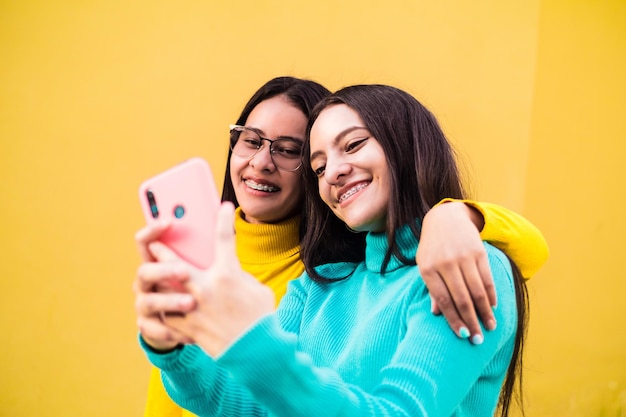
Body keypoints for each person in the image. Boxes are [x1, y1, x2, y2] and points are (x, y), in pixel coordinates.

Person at [135, 78, 547, 416]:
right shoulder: (319, 283)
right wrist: (172, 350)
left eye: (352, 145)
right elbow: (252, 409)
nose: (333, 171)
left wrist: (252, 335)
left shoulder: (471, 268)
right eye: (318, 166)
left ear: (406, 144)